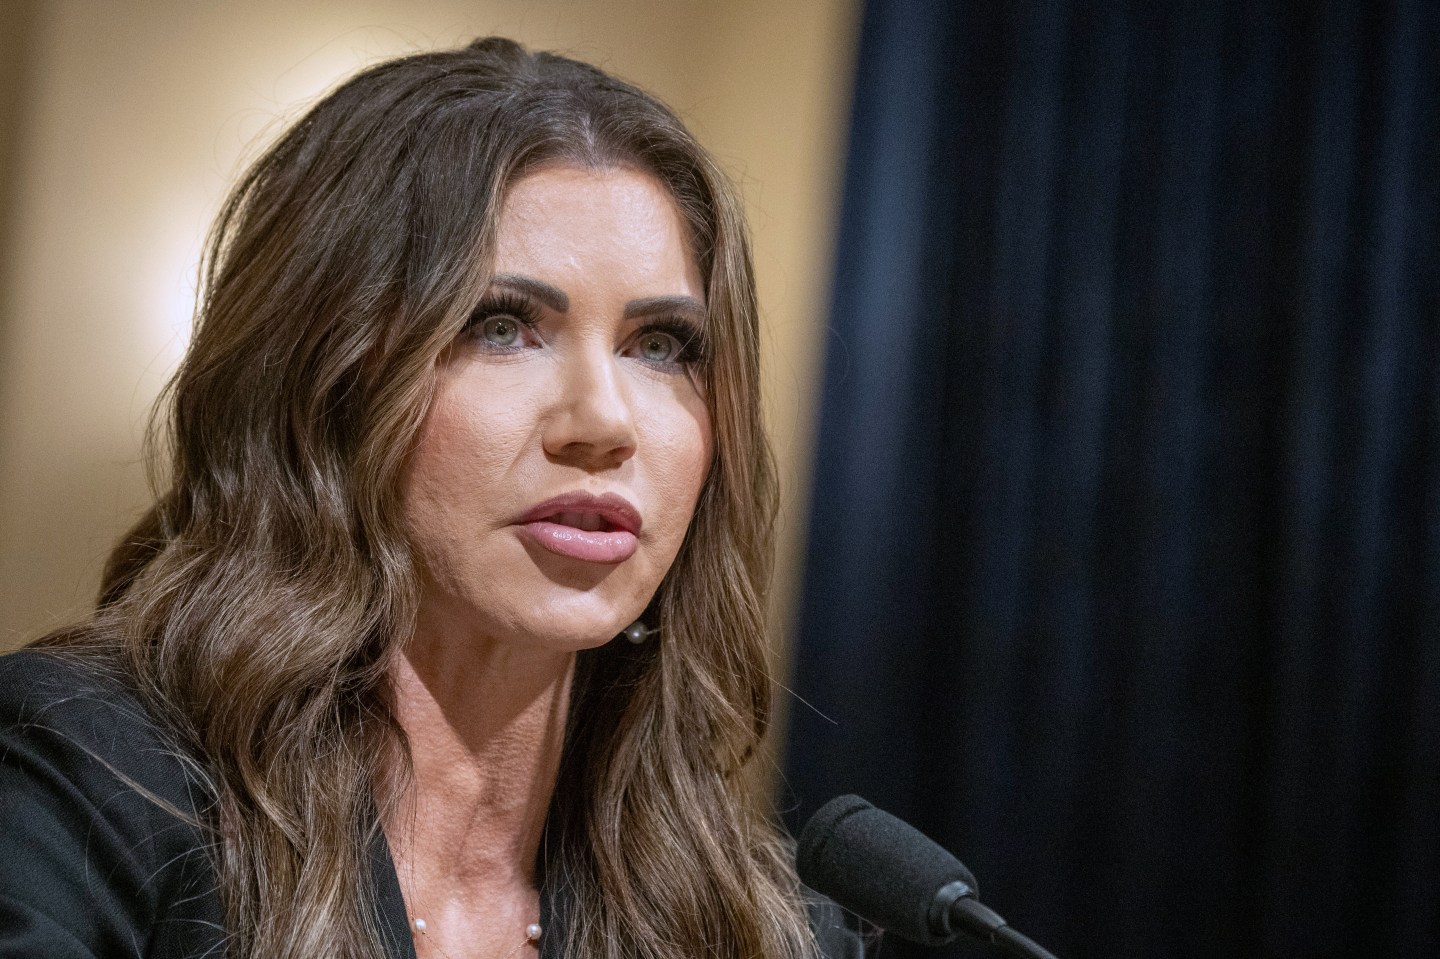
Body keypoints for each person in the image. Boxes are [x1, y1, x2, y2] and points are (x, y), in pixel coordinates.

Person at [0, 37, 860, 959]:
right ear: (325, 381)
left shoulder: (756, 926)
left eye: (660, 346)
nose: (605, 421)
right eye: (502, 327)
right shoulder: (87, 785)